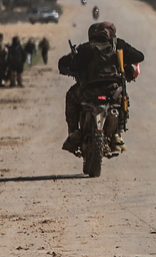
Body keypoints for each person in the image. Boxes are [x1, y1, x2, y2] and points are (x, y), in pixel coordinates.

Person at [58, 21, 144, 156]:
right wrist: (125, 61)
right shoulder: (118, 45)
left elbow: (71, 65)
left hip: (89, 92)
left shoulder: (86, 48)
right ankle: (118, 133)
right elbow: (139, 56)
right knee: (123, 99)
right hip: (113, 91)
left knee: (71, 95)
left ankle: (74, 131)